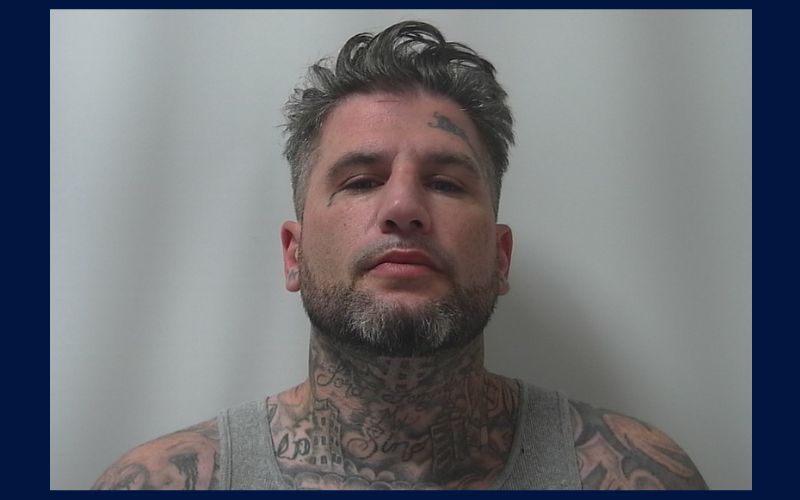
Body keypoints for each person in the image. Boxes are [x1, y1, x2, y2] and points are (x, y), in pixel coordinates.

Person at [91, 20, 708, 490]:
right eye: (361, 181)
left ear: (500, 258)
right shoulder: (166, 482)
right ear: (293, 254)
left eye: (446, 183)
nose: (404, 207)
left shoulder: (637, 476)